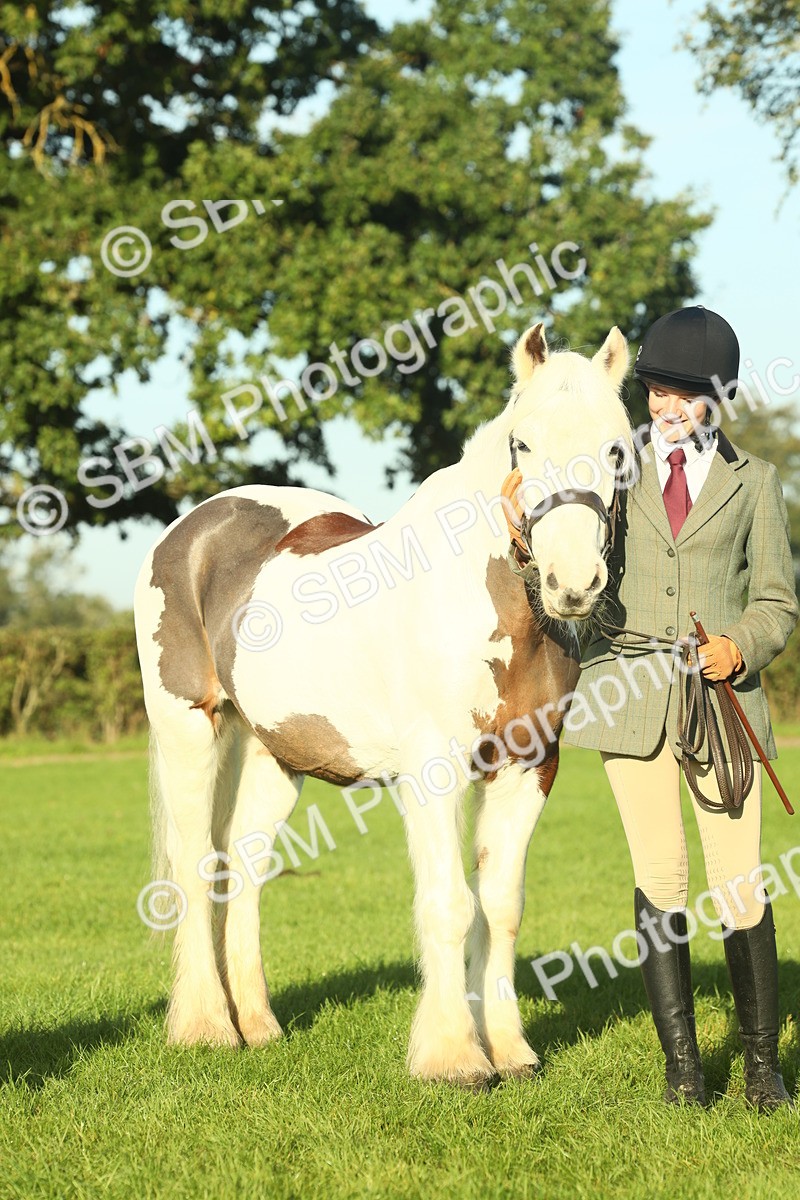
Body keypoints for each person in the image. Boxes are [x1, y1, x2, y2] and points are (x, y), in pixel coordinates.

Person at [503, 306, 798, 1110]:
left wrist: (739, 645)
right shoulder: (613, 468)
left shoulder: (754, 483)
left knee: (738, 885)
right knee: (661, 880)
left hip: (720, 705)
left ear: (717, 399)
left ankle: (762, 1067)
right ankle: (683, 1070)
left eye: (685, 394)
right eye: (658, 390)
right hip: (629, 701)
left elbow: (778, 600)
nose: (667, 406)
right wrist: (526, 539)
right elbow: (572, 569)